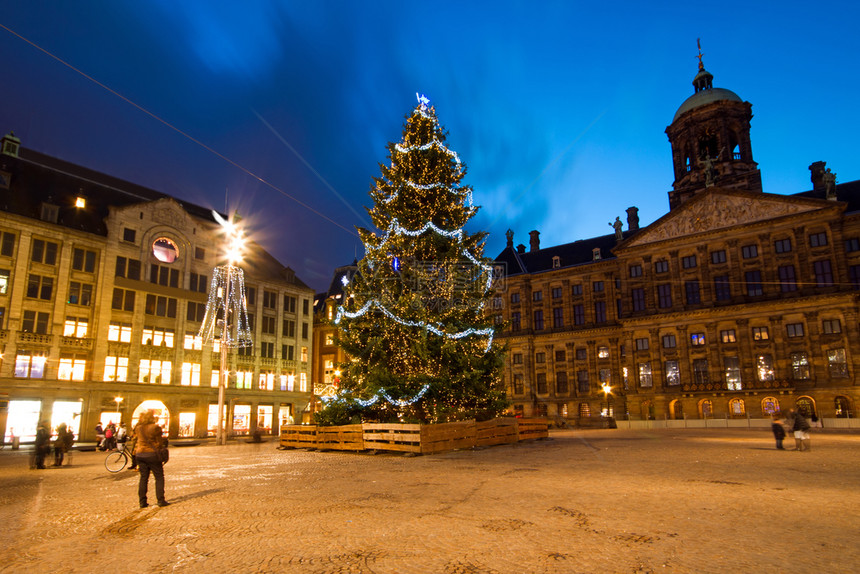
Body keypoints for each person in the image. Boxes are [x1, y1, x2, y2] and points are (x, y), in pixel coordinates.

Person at [133, 410, 169, 508]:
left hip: (140, 454)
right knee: (159, 477)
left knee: (144, 478)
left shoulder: (138, 428)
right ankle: (161, 500)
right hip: (152, 454)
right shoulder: (155, 428)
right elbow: (160, 442)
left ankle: (142, 502)